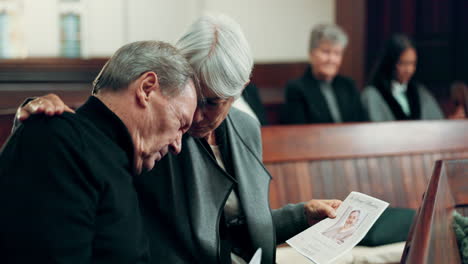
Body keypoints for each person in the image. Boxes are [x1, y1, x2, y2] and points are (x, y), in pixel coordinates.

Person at [14, 15, 341, 264]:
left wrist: (299, 216)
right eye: (190, 97)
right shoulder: (151, 135)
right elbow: (95, 136)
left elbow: (231, 227)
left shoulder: (245, 127)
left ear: (239, 90)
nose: (196, 116)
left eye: (212, 102)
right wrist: (38, 110)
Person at [0, 41, 198, 263]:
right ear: (146, 89)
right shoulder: (59, 140)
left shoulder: (113, 159)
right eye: (181, 123)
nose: (177, 146)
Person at [281, 24, 368, 124]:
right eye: (326, 52)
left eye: (337, 53)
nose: (331, 59)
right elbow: (297, 131)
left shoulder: (348, 85)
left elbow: (361, 125)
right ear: (311, 54)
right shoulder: (296, 89)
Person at [362, 34, 444, 121]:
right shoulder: (372, 96)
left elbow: (438, 124)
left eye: (413, 63)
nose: (409, 70)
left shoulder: (420, 93)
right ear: (390, 62)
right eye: (403, 63)